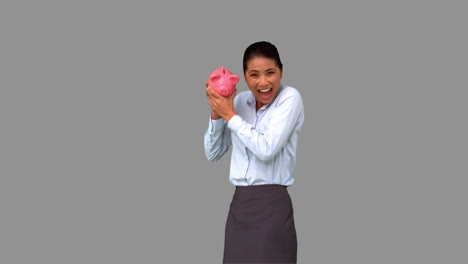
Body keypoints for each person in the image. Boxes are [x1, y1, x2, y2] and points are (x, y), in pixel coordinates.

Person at [204, 41, 304, 263]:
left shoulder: (290, 98)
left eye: (270, 73)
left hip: (272, 207)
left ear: (281, 71)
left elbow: (266, 148)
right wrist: (216, 113)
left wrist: (230, 115)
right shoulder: (239, 102)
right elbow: (213, 153)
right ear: (244, 76)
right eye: (254, 74)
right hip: (240, 207)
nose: (263, 82)